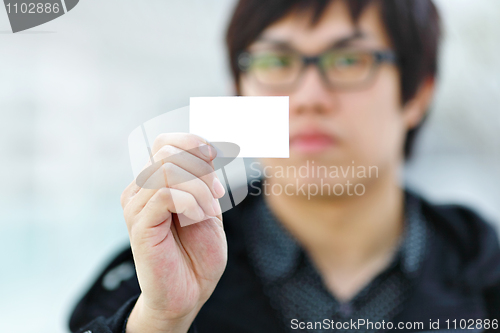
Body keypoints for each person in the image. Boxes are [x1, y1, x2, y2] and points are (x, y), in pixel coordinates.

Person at [69, 0, 500, 332]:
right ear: (238, 93)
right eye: (276, 62)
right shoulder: (156, 276)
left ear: (417, 95)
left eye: (349, 60)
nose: (309, 95)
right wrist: (162, 319)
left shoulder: (485, 271)